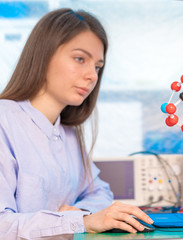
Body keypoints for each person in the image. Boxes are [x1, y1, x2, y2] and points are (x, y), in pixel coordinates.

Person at [0, 8, 153, 239]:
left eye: (97, 67)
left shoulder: (67, 133)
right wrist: (77, 221)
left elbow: (100, 192)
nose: (92, 75)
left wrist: (80, 214)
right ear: (43, 55)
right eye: (80, 59)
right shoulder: (5, 121)